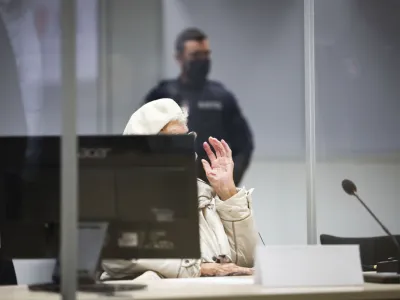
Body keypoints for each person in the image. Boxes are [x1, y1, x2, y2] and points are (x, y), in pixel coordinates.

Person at [101, 98, 258, 280]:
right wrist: (200, 268)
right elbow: (116, 259)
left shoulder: (201, 197)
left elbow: (246, 260)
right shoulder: (119, 196)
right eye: (173, 140)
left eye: (186, 139)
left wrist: (228, 194)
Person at [143, 28, 254, 186]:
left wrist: (228, 181)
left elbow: (244, 146)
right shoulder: (162, 95)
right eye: (195, 55)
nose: (202, 60)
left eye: (206, 54)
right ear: (179, 58)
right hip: (169, 185)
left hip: (212, 190)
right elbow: (140, 141)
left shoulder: (222, 97)